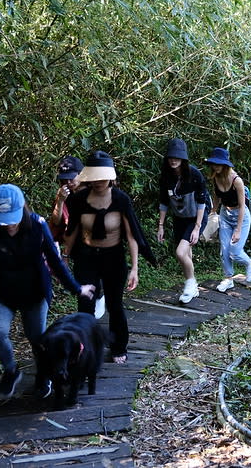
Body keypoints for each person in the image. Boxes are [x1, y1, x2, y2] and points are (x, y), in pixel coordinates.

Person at [0, 184, 95, 399]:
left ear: (22, 208)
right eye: (3, 220)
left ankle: (43, 378)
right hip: (0, 289)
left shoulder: (37, 225)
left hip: (34, 292)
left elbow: (54, 261)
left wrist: (76, 288)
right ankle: (11, 370)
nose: (8, 225)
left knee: (39, 340)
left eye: (12, 219)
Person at [63, 151, 156, 364]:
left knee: (115, 304)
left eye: (102, 177)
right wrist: (65, 257)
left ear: (111, 177)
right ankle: (84, 347)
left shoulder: (120, 199)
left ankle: (118, 347)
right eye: (94, 177)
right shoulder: (78, 200)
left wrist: (135, 268)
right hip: (86, 257)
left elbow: (131, 234)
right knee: (85, 304)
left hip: (113, 257)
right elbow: (72, 231)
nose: (98, 182)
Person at [47, 155, 105, 319]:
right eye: (64, 180)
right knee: (83, 280)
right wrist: (60, 201)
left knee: (94, 275)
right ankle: (88, 314)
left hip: (96, 242)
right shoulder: (65, 195)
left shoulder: (95, 191)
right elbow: (56, 222)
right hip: (76, 245)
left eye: (71, 178)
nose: (68, 183)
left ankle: (97, 297)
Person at [156, 138, 209, 304]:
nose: (174, 160)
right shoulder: (166, 176)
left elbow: (202, 202)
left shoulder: (194, 174)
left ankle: (190, 284)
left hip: (196, 217)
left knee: (180, 252)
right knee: (186, 253)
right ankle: (192, 289)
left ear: (183, 159)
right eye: (171, 157)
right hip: (179, 218)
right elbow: (164, 202)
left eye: (177, 157)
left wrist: (197, 228)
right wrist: (161, 226)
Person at [205, 147, 251, 292]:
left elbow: (242, 205)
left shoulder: (236, 181)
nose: (215, 166)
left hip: (241, 216)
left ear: (225, 164)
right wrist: (213, 212)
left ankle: (249, 263)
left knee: (235, 250)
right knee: (225, 250)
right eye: (214, 163)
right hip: (225, 215)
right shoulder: (215, 177)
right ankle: (228, 279)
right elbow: (217, 196)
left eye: (218, 164)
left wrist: (238, 230)